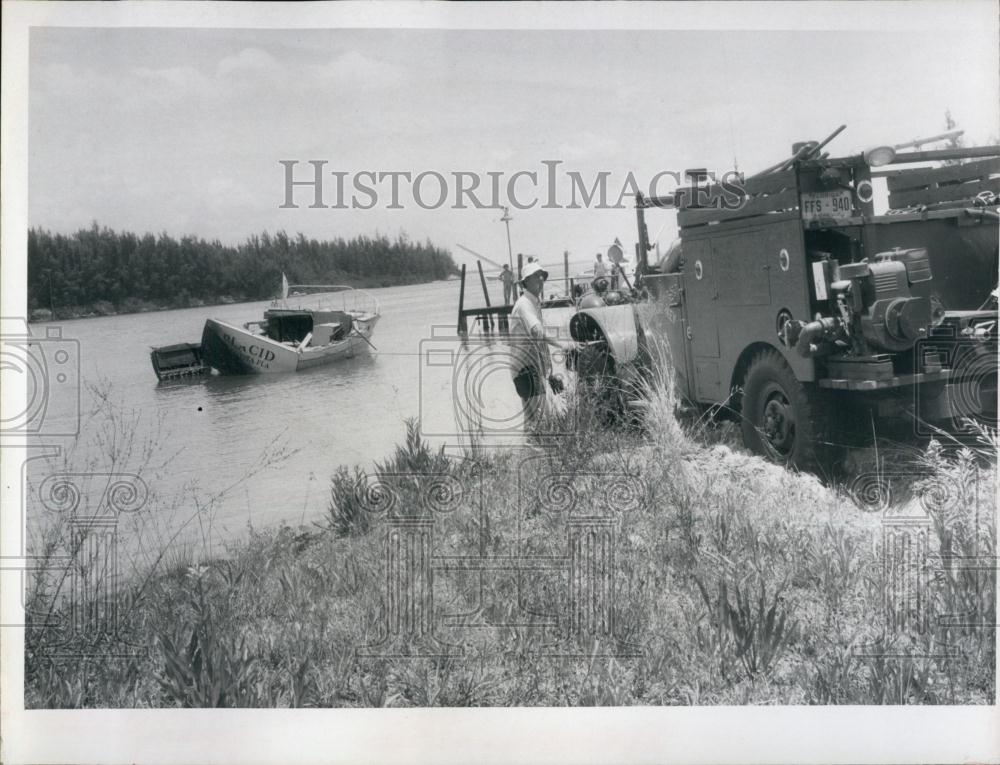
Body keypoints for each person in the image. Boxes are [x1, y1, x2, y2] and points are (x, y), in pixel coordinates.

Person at [508, 262, 575, 428]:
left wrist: (548, 371)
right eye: (536, 276)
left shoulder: (533, 303)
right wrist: (563, 345)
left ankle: (527, 449)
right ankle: (536, 448)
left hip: (530, 368)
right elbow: (538, 332)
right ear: (526, 282)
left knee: (532, 421)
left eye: (542, 276)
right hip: (526, 369)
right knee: (543, 419)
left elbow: (539, 343)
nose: (540, 279)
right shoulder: (524, 304)